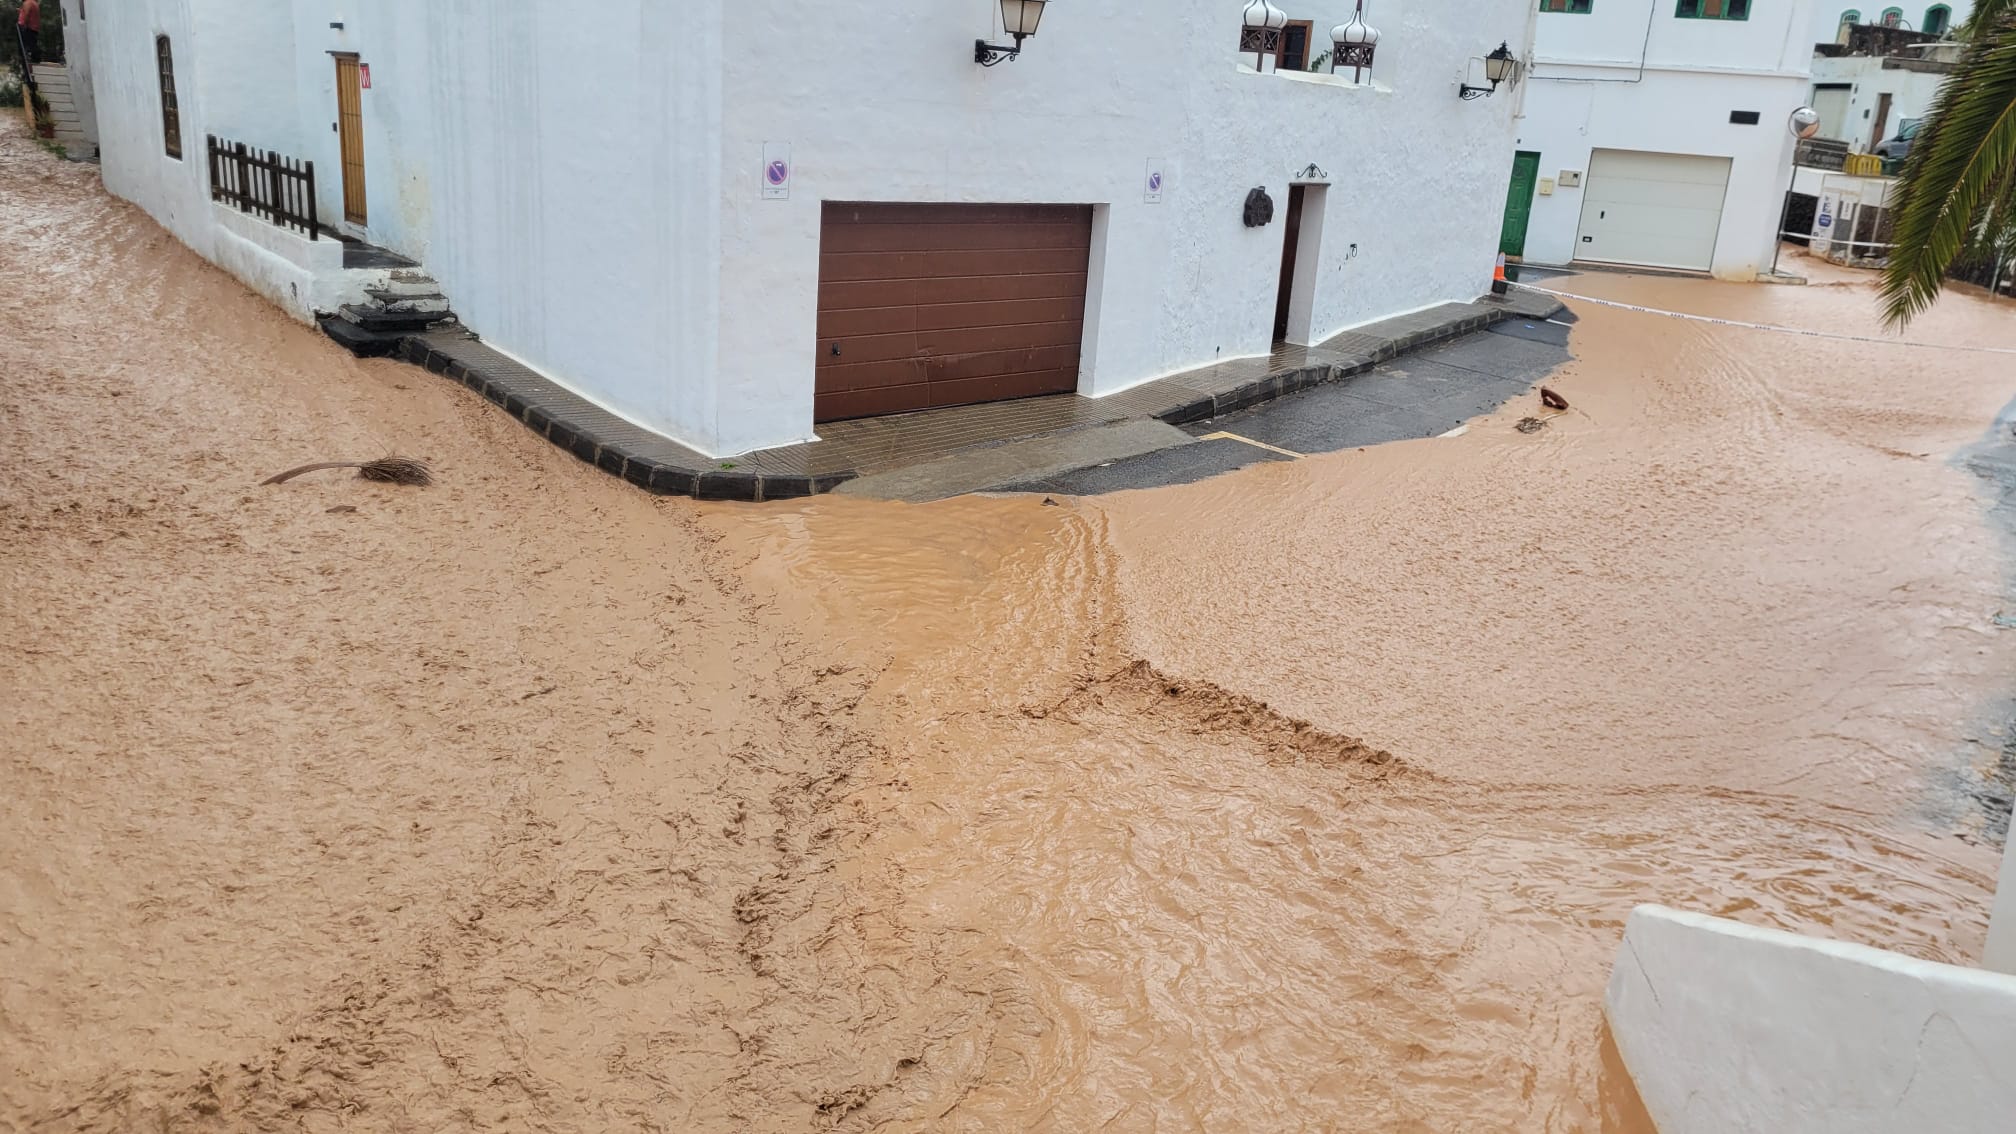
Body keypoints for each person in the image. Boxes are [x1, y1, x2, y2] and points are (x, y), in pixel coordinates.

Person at [16, 0, 41, 67]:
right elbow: (28, 13)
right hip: (33, 27)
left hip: (27, 26)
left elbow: (27, 13)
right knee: (32, 43)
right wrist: (21, 11)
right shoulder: (34, 2)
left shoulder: (27, 2)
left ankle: (26, 59)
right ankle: (34, 58)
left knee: (24, 45)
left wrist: (25, 24)